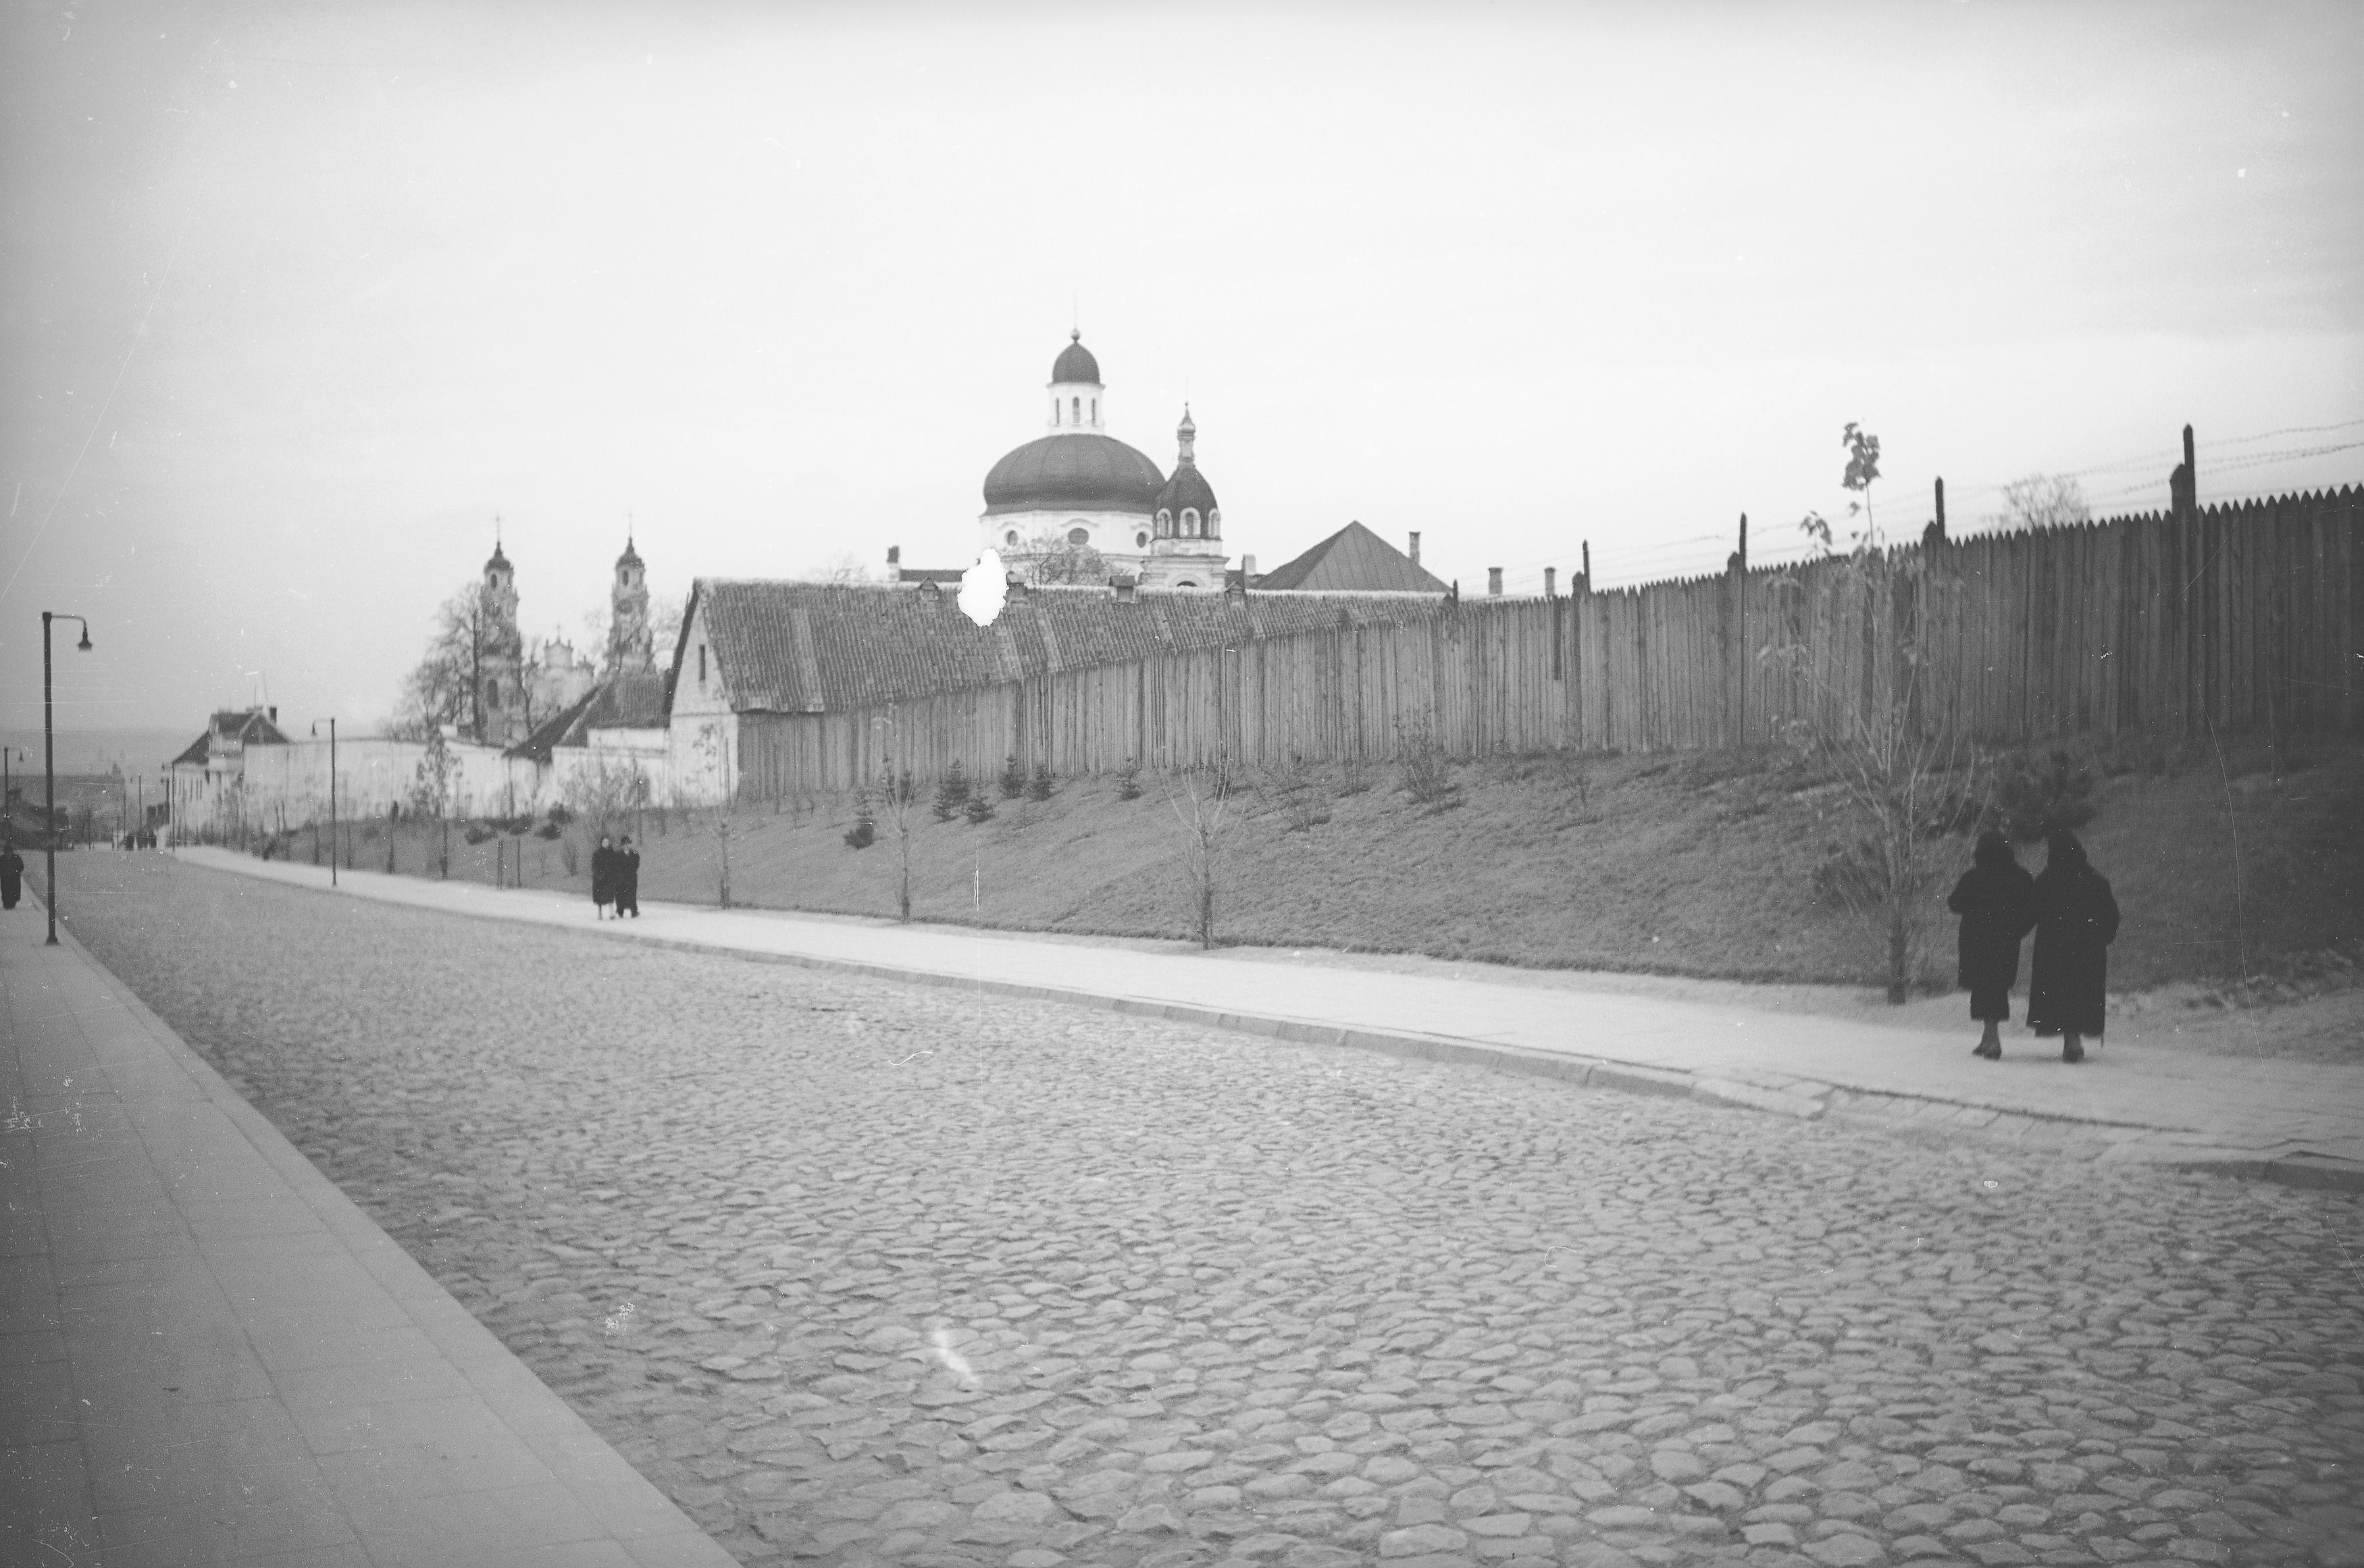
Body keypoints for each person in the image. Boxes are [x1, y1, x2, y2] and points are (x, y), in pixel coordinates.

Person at [2026, 831, 2120, 1064]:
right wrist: (2102, 939)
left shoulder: (2047, 880)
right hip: (2089, 951)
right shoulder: (2097, 880)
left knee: (2061, 992)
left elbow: (2030, 913)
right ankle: (2074, 1038)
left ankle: (2071, 1040)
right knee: (2081, 992)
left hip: (2054, 950)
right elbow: (2112, 916)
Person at [1947, 830, 2037, 1060]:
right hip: (2006, 942)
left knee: (1982, 988)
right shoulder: (2021, 877)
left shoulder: (1974, 877)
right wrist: (2018, 930)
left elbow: (1955, 902)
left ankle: (1992, 1039)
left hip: (1976, 941)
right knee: (1997, 987)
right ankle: (1988, 1037)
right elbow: (2033, 908)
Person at [616, 835, 641, 918]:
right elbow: (617, 866)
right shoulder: (618, 854)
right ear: (622, 845)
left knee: (632, 894)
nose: (626, 846)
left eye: (627, 844)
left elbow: (636, 865)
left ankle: (634, 911)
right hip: (621, 878)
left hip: (632, 877)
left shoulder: (635, 854)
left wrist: (630, 871)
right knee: (621, 895)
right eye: (624, 845)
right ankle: (620, 911)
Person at [591, 833, 615, 919]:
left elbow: (615, 865)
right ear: (601, 842)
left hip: (609, 877)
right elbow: (594, 865)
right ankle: (600, 913)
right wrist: (599, 875)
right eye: (604, 842)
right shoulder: (597, 853)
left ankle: (612, 913)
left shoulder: (612, 852)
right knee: (600, 896)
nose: (606, 843)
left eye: (607, 842)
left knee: (610, 896)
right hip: (600, 878)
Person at [1, 839, 22, 910]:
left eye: (9, 851)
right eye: (6, 851)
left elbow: (21, 866)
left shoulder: (16, 858)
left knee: (14, 891)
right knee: (5, 891)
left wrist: (16, 871)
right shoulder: (2, 858)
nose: (8, 853)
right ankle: (6, 904)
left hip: (14, 878)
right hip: (5, 878)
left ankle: (12, 903)